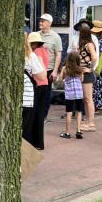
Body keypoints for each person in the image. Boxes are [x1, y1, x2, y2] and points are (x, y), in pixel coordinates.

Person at [35, 14, 60, 145]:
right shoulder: (36, 35)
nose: (41, 22)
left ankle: (43, 115)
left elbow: (58, 54)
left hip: (48, 69)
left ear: (49, 23)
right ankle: (37, 114)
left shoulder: (55, 37)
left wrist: (55, 70)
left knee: (46, 93)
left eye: (43, 21)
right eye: (40, 20)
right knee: (36, 93)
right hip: (36, 69)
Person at [21, 32, 48, 147]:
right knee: (25, 126)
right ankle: (23, 159)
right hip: (26, 95)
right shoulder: (30, 55)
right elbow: (42, 76)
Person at [71, 22, 98, 130]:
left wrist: (90, 68)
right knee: (86, 99)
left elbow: (94, 57)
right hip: (82, 73)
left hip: (86, 74)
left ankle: (91, 122)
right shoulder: (84, 44)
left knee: (88, 99)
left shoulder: (89, 44)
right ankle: (88, 121)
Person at [58, 51, 86, 139]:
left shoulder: (65, 69)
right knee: (79, 112)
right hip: (79, 94)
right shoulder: (80, 70)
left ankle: (67, 132)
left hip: (69, 94)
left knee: (69, 113)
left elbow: (59, 79)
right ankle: (78, 130)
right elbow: (82, 80)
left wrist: (63, 79)